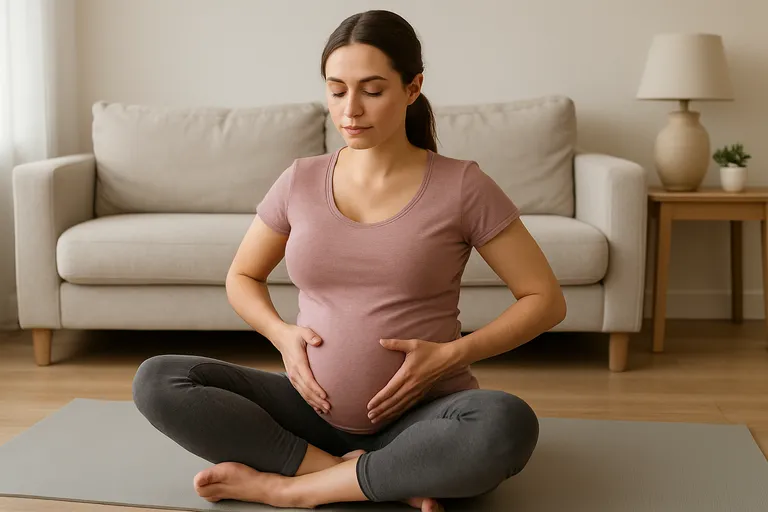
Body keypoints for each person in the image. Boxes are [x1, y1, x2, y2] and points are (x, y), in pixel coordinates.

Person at [131, 9, 566, 512]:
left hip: (423, 413)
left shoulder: (463, 185)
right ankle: (368, 475)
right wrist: (282, 335)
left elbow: (545, 300)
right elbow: (243, 276)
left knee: (506, 424)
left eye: (372, 90)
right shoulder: (299, 179)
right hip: (308, 409)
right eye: (337, 90)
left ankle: (291, 488)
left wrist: (451, 356)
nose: (350, 110)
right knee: (159, 379)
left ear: (412, 87)